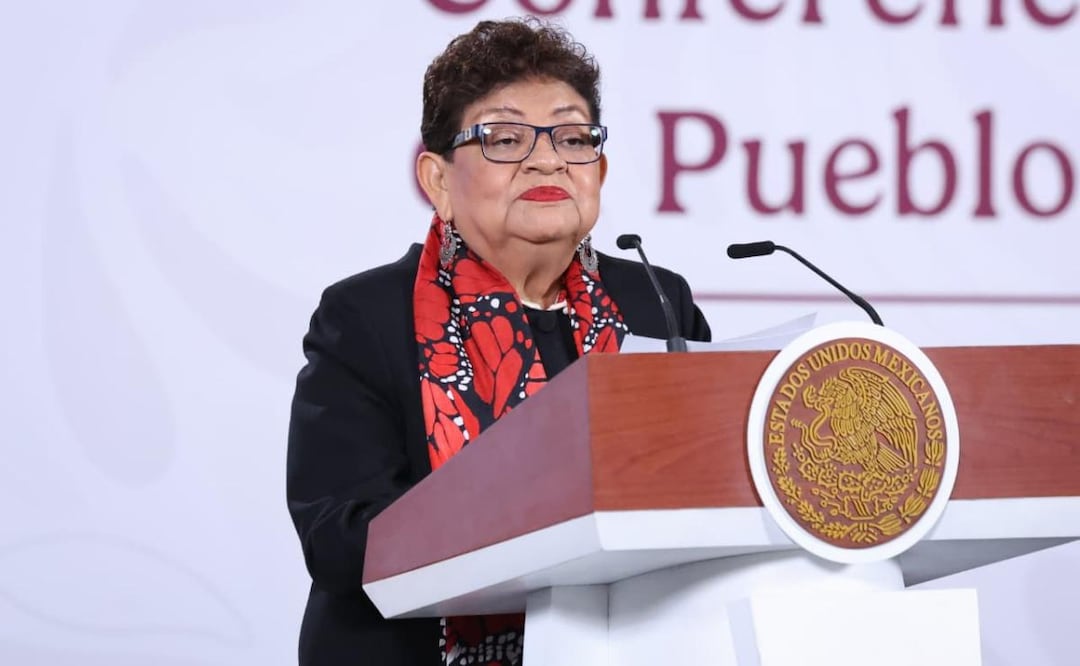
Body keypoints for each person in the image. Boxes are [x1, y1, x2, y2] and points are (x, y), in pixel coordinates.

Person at [286, 17, 711, 666]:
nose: (547, 159)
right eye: (505, 138)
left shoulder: (655, 301)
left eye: (573, 137)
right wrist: (535, 510)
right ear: (437, 181)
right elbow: (340, 542)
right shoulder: (366, 317)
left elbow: (709, 492)